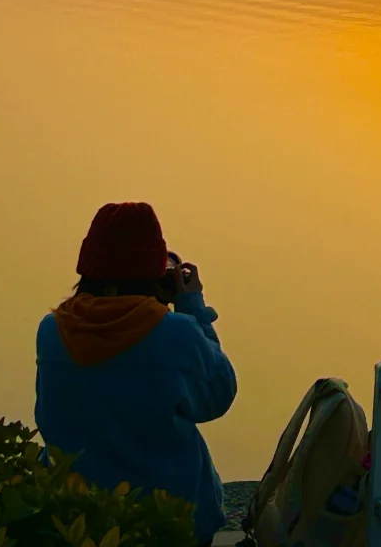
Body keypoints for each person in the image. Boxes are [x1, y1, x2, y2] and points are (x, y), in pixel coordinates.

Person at [36, 202, 237, 545]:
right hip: (166, 521)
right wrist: (193, 308)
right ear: (153, 274)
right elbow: (218, 395)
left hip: (75, 518)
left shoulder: (52, 331)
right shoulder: (176, 334)